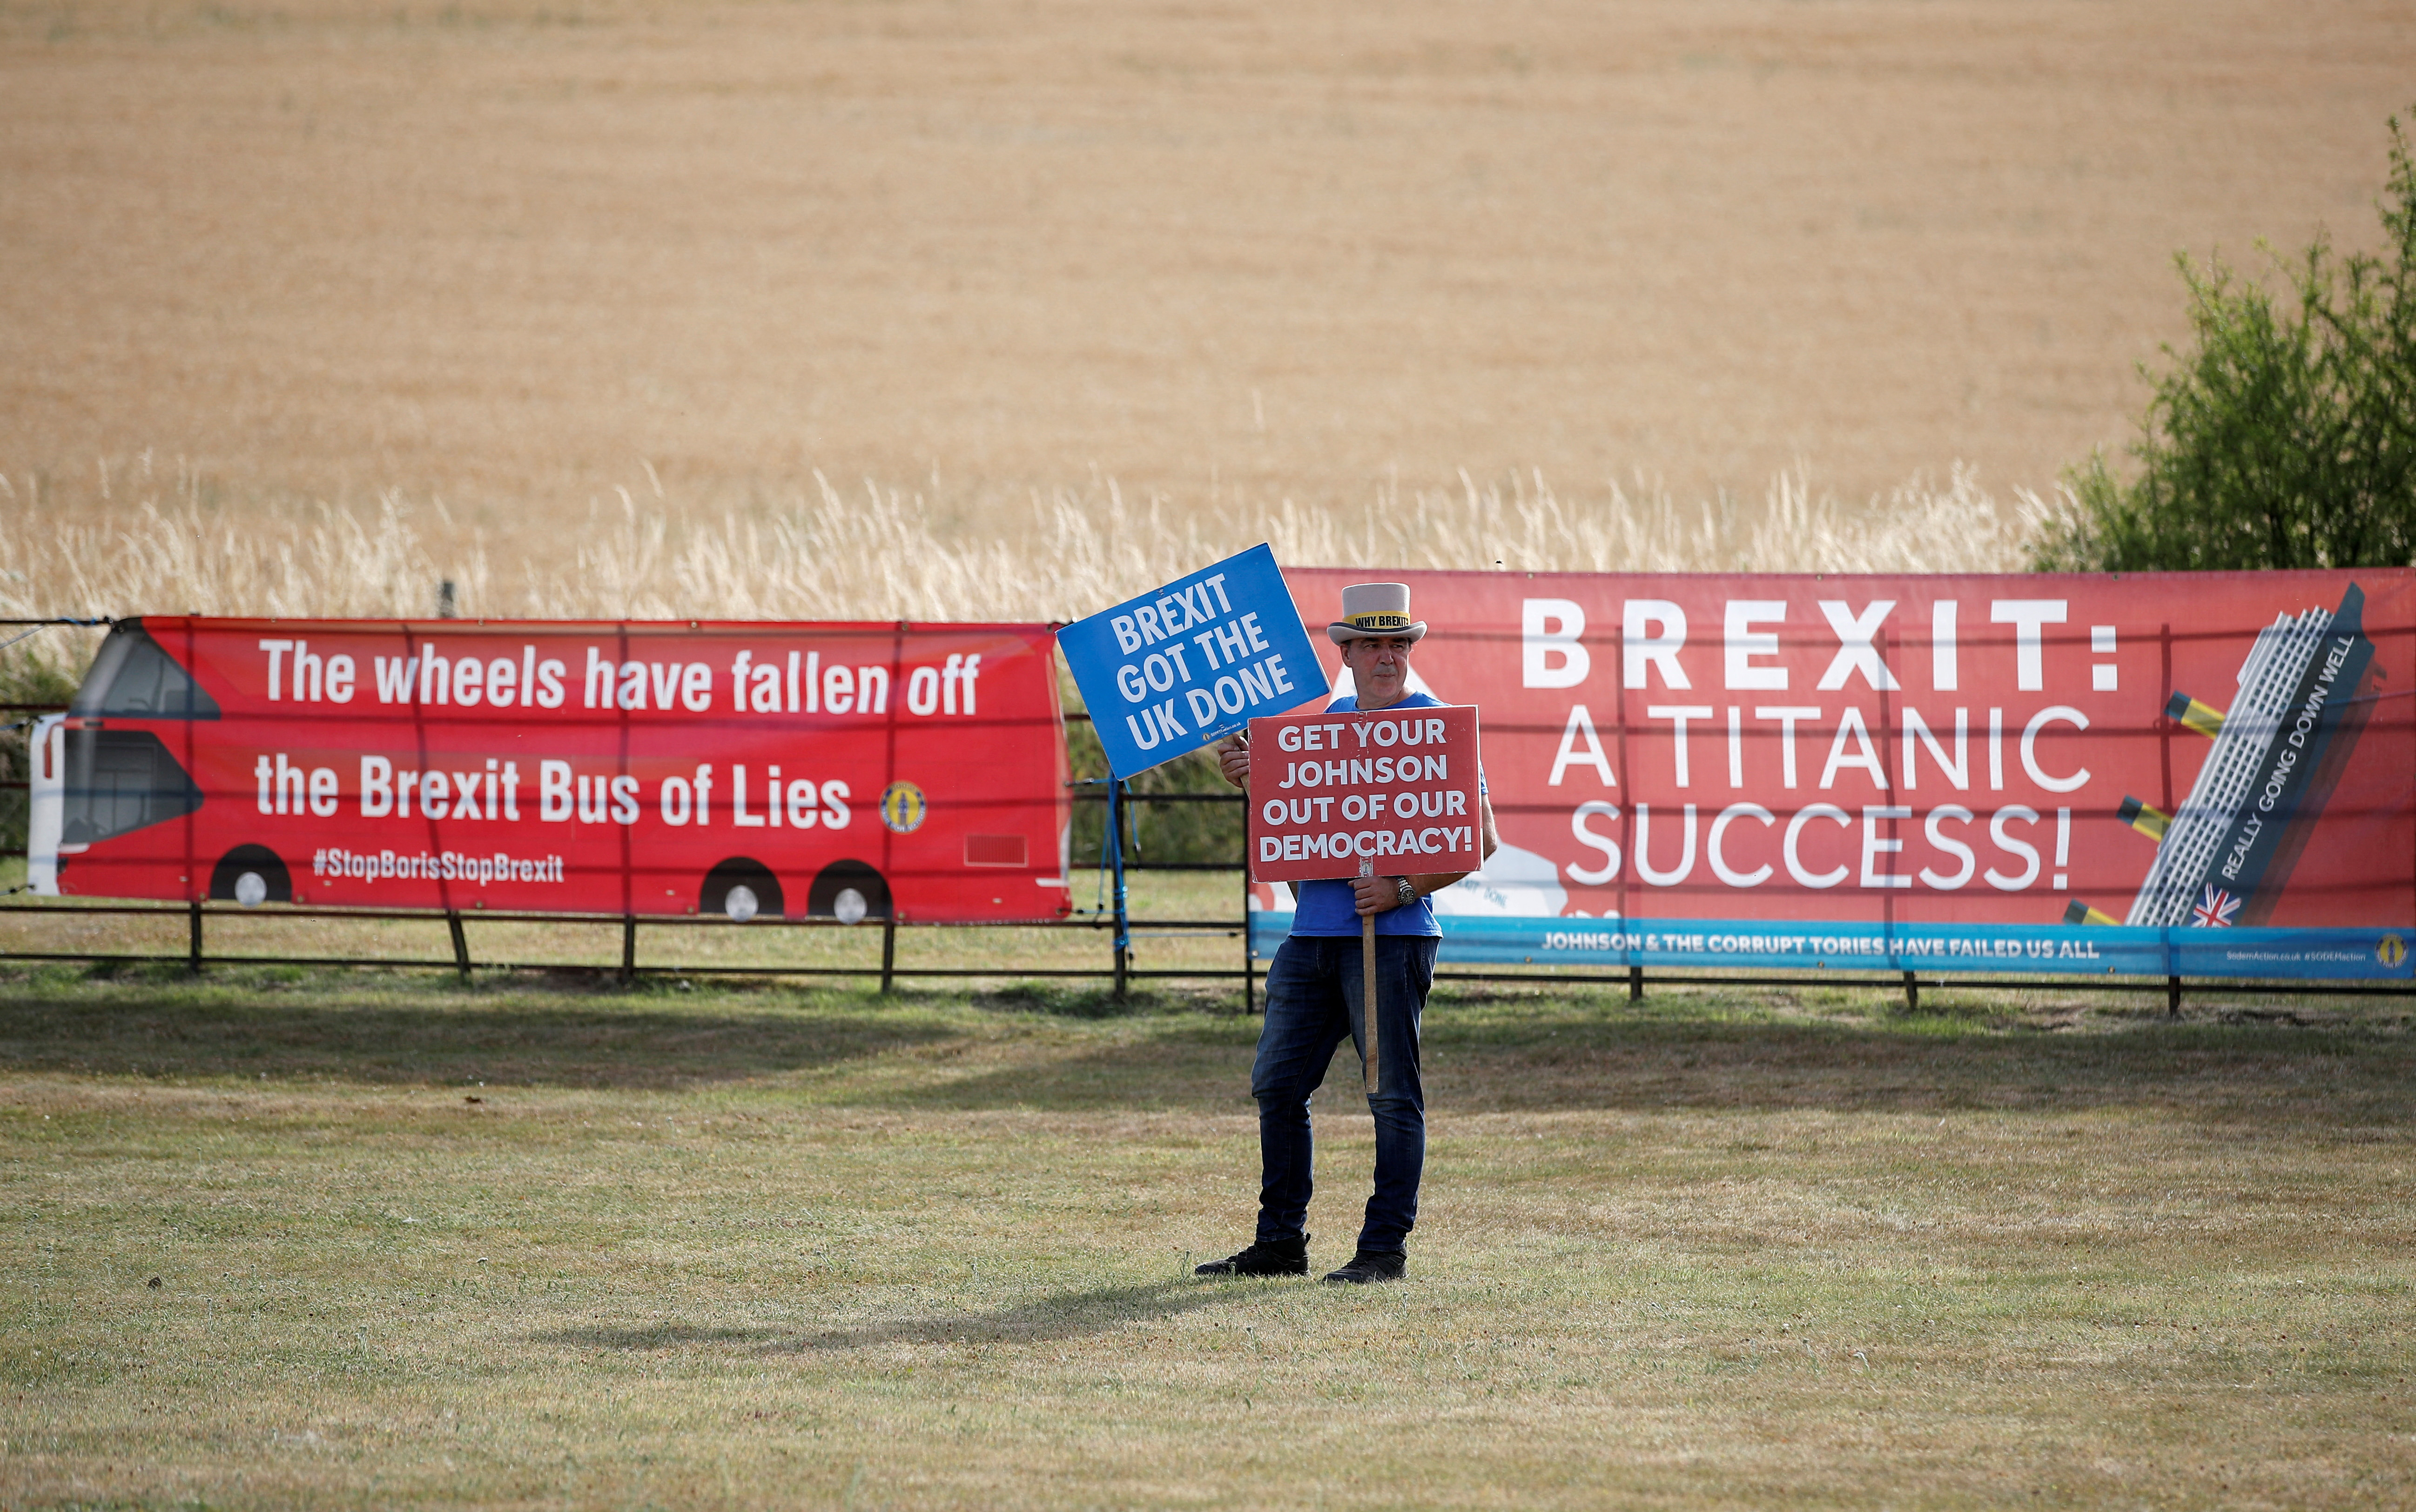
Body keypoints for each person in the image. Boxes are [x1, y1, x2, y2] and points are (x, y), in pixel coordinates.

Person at [1195, 582, 1497, 1284]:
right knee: (1276, 1085)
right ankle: (1280, 1244)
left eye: (1398, 643)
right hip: (1314, 937)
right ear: (1348, 652)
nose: (1386, 655)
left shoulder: (1437, 725)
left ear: (1410, 650)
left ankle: (1383, 1248)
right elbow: (1295, 837)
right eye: (1372, 644)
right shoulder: (1324, 726)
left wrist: (1401, 888)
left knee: (1391, 1096)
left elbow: (1480, 837)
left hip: (1392, 941)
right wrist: (1253, 781)